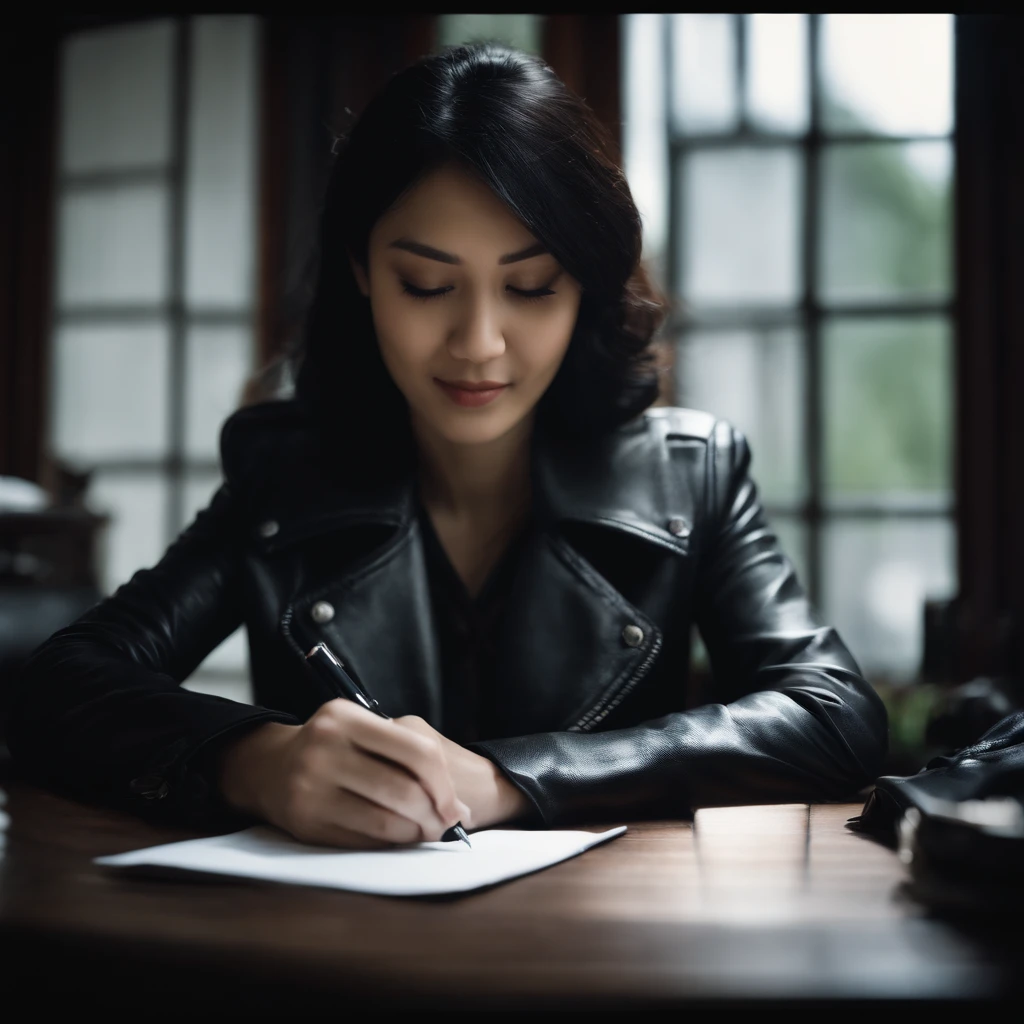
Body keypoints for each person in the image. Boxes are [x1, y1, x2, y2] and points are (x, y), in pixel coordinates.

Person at [3, 42, 887, 849]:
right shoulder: (285, 474)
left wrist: (508, 780)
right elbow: (59, 687)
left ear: (584, 285)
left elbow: (833, 716)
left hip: (607, 954)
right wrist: (254, 760)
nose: (479, 342)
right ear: (361, 268)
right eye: (426, 284)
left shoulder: (689, 476)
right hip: (323, 957)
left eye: (531, 287)